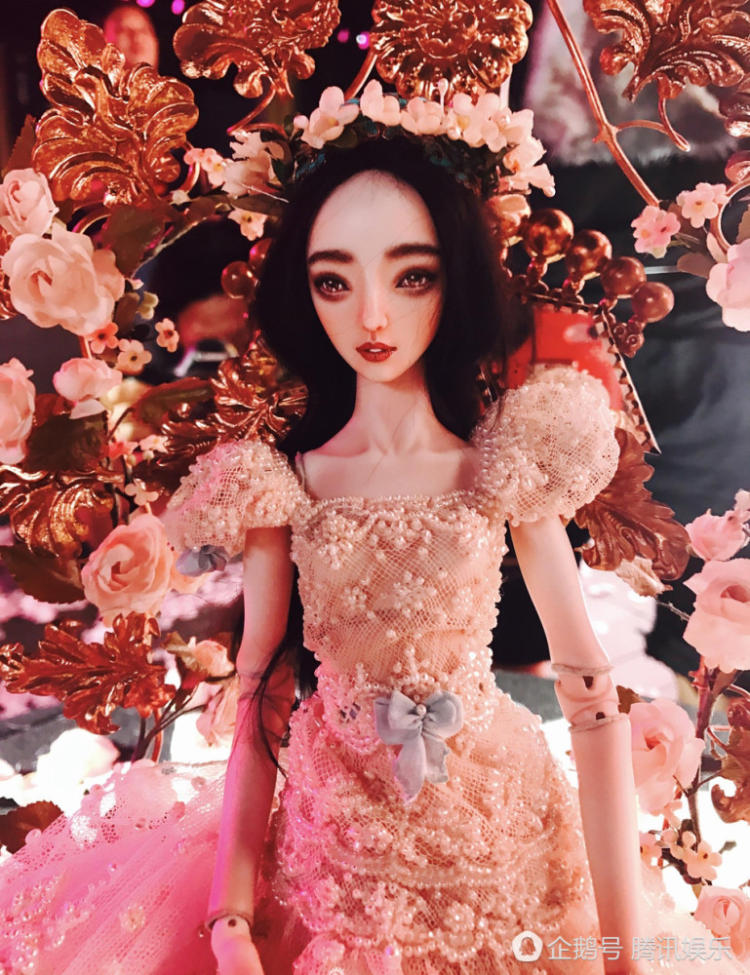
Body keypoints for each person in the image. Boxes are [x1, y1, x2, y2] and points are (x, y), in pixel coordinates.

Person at [0, 139, 744, 975]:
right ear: (305, 293)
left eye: (411, 276)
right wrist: (230, 916)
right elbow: (259, 697)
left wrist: (622, 947)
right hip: (335, 835)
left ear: (453, 282)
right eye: (335, 282)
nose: (374, 317)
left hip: (497, 820)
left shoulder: (505, 462)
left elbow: (591, 696)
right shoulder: (284, 484)